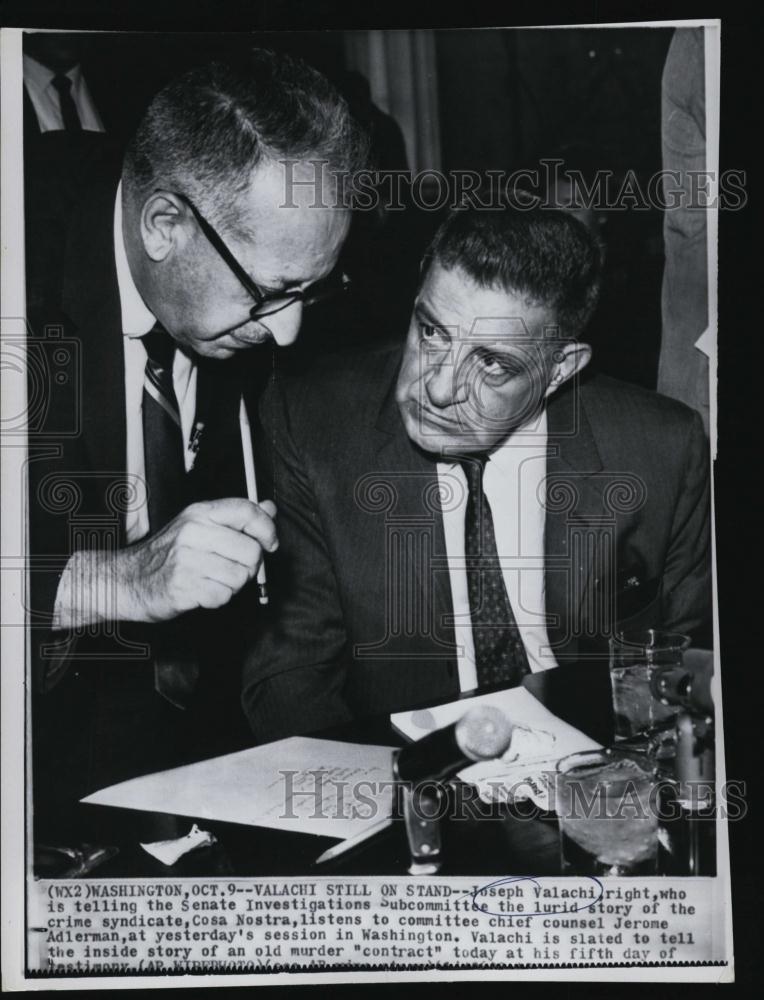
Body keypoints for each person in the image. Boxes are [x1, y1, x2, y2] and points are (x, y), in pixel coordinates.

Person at [29, 49, 367, 841]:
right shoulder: (19, 266)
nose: (288, 330)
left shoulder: (221, 281)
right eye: (272, 293)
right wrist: (118, 581)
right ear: (163, 226)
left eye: (312, 289)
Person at [242, 205, 711, 743]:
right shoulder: (313, 420)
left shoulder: (661, 450)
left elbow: (681, 669)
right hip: (402, 777)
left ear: (560, 369)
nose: (439, 388)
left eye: (492, 363)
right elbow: (290, 679)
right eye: (432, 333)